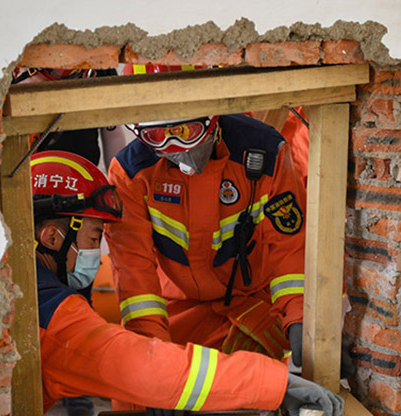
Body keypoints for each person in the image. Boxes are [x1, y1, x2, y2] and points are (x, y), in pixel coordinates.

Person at [30, 150, 343, 416]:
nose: (97, 260)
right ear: (53, 239)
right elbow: (145, 367)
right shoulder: (53, 322)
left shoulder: (21, 289)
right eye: (94, 238)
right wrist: (277, 385)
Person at [105, 112, 310, 367]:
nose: (177, 147)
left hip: (253, 303)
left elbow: (290, 249)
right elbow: (134, 277)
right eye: (158, 136)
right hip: (174, 309)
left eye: (186, 132)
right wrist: (152, 357)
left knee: (251, 385)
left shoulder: (266, 153)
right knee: (135, 395)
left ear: (211, 120)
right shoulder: (131, 174)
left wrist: (300, 318)